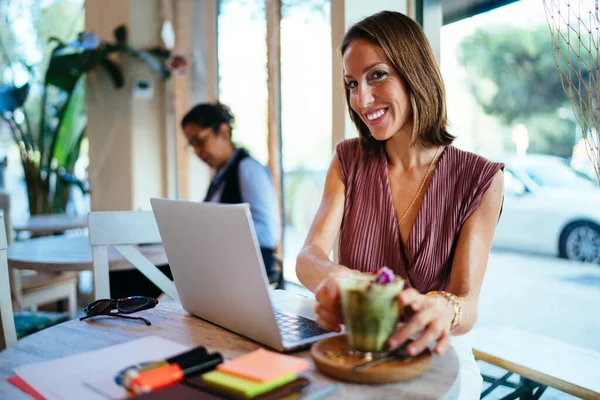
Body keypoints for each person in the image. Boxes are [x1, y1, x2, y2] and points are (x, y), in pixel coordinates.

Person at [295, 11, 504, 398]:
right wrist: (341, 282)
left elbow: (467, 302)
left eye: (377, 75)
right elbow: (309, 255)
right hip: (356, 352)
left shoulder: (481, 179)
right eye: (351, 83)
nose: (361, 98)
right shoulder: (347, 161)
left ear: (414, 71)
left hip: (435, 355)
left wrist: (446, 310)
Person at [181, 103, 281, 284]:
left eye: (200, 141)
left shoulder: (248, 169)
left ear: (224, 132)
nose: (197, 152)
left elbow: (268, 234)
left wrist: (217, 231)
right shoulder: (221, 175)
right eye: (192, 145)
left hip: (249, 278)